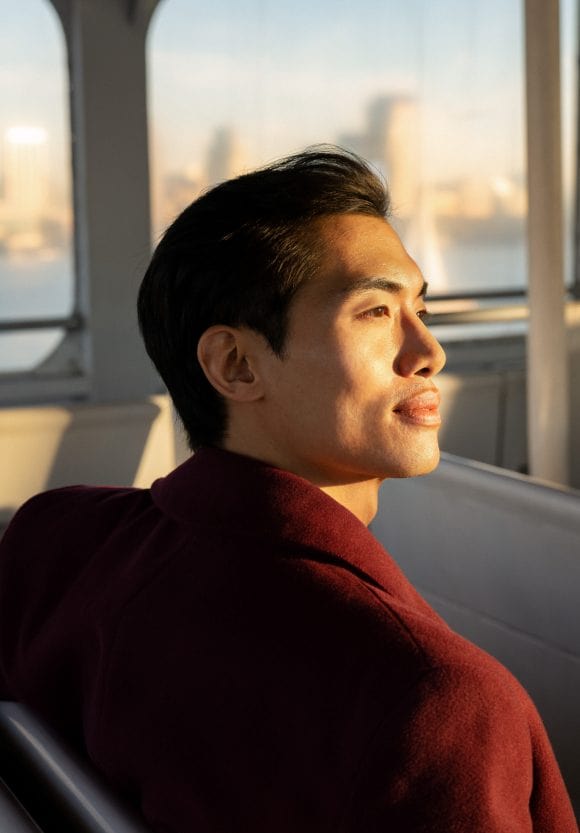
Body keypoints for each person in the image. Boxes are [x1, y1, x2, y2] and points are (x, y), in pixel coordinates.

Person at [0, 148, 577, 833]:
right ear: (236, 365)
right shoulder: (435, 702)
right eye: (374, 312)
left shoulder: (52, 536)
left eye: (419, 307)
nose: (429, 350)